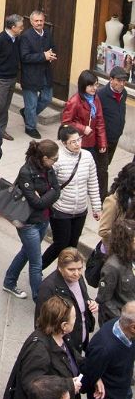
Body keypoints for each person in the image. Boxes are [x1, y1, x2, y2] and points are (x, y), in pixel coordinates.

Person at [0, 296, 84, 399]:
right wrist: (69, 385)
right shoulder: (39, 350)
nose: (76, 320)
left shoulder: (62, 337)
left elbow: (73, 358)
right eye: (74, 317)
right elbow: (33, 386)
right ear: (64, 325)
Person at [3, 139, 62, 301]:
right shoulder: (26, 172)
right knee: (36, 263)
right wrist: (48, 195)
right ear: (44, 158)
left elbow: (57, 190)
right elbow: (36, 202)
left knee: (27, 252)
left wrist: (45, 196)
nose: (56, 162)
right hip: (28, 223)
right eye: (54, 159)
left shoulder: (49, 169)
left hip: (44, 219)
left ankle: (9, 281)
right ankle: (40, 299)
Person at [41, 124, 100, 268]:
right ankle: (38, 268)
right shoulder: (58, 159)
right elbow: (47, 185)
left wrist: (97, 207)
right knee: (61, 245)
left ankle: (65, 273)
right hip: (60, 210)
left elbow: (93, 182)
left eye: (78, 139)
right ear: (64, 143)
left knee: (73, 247)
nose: (77, 144)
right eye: (72, 142)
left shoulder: (87, 156)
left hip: (80, 210)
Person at [77, 300, 135, 399]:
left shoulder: (123, 326)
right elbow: (88, 369)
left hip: (116, 397)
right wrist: (96, 379)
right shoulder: (105, 347)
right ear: (133, 327)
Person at [36, 248, 98, 354]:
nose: (77, 273)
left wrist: (91, 302)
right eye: (71, 269)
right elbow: (41, 323)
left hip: (80, 340)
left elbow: (84, 298)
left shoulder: (79, 278)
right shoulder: (48, 287)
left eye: (80, 268)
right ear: (60, 268)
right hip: (64, 346)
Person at [61, 70, 108, 196]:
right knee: (75, 167)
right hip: (78, 141)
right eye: (91, 85)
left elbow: (100, 121)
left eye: (96, 85)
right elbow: (66, 122)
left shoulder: (95, 98)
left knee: (89, 167)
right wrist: (82, 128)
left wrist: (102, 142)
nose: (94, 88)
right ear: (83, 86)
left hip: (91, 142)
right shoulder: (74, 101)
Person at [0, 14, 24, 141]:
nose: (22, 29)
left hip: (12, 77)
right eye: (20, 27)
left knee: (5, 105)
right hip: (1, 78)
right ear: (13, 27)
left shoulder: (16, 39)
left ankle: (1, 130)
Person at [19, 10, 57, 139]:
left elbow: (53, 47)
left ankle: (26, 113)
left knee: (47, 98)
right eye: (36, 21)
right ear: (31, 22)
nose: (39, 23)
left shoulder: (47, 33)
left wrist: (51, 55)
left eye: (41, 20)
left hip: (45, 72)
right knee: (32, 103)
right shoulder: (25, 36)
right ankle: (30, 127)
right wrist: (43, 56)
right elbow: (24, 57)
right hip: (31, 74)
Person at [97, 219, 135, 326]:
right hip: (122, 322)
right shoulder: (112, 267)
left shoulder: (132, 258)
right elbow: (105, 300)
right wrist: (123, 321)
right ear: (125, 241)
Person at [97, 67, 128, 195]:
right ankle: (103, 196)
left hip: (115, 137)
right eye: (119, 80)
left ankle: (90, 181)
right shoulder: (101, 95)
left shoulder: (124, 93)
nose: (122, 84)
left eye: (124, 81)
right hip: (104, 138)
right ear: (111, 79)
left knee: (105, 164)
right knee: (103, 169)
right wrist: (101, 139)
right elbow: (97, 119)